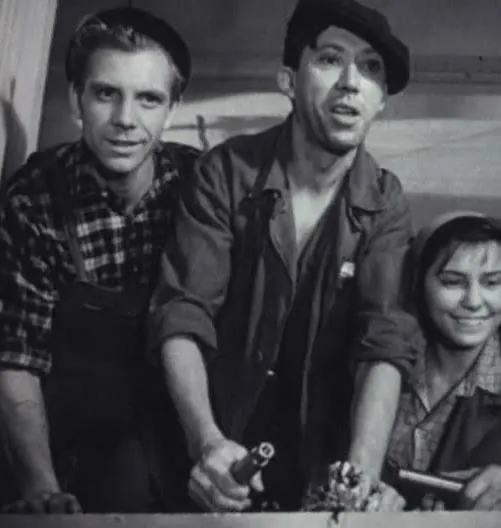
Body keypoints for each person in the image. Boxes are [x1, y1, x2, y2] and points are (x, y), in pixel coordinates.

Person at [148, 0, 418, 512]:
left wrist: (360, 470)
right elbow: (182, 312)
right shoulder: (225, 173)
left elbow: (384, 339)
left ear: (381, 99)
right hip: (208, 441)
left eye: (370, 68)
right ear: (289, 81)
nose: (351, 83)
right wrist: (206, 441)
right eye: (330, 59)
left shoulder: (386, 201)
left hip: (315, 459)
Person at [0, 6, 199, 514]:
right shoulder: (35, 198)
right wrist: (43, 490)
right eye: (106, 93)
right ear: (75, 98)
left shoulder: (199, 186)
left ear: (172, 110)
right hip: (71, 449)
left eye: (148, 99)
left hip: (179, 445)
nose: (125, 119)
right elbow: (16, 359)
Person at [384, 211, 501, 511]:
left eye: (493, 283)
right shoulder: (383, 366)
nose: (473, 301)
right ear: (417, 285)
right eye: (452, 282)